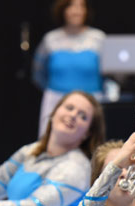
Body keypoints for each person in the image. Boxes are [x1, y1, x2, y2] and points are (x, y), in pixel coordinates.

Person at [32, 0, 105, 137]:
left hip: (91, 102)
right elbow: (38, 72)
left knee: (91, 146)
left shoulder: (98, 39)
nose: (76, 11)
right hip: (56, 101)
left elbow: (109, 73)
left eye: (81, 6)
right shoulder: (51, 39)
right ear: (63, 10)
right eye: (71, 6)